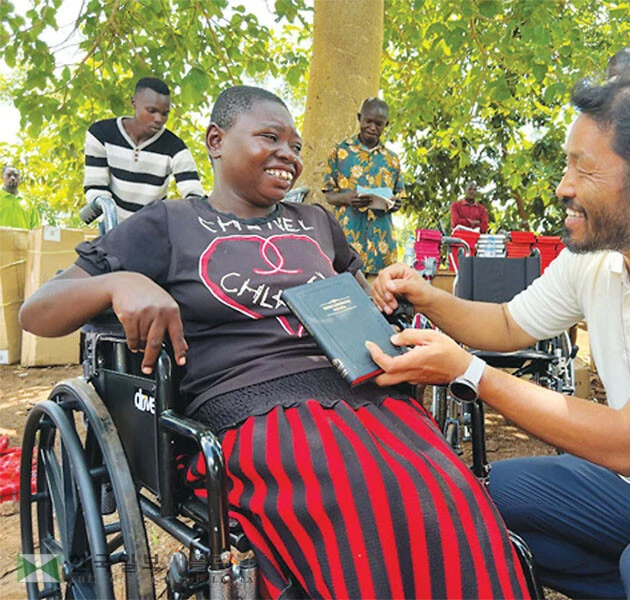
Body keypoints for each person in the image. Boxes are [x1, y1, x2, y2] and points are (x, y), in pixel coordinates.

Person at [20, 85, 528, 599]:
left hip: (364, 394)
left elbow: (359, 297)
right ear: (215, 141)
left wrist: (384, 294)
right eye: (270, 137)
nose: (289, 153)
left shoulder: (315, 222)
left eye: (297, 145)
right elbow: (37, 311)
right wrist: (117, 282)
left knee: (448, 490)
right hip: (252, 410)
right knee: (362, 493)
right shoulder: (169, 223)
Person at [368, 75, 630, 599]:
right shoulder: (596, 258)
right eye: (568, 163)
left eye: (585, 168)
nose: (563, 186)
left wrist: (468, 373)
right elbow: (507, 324)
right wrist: (425, 295)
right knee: (470, 499)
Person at [84, 76, 204, 221]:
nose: (159, 119)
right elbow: (96, 188)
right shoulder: (101, 134)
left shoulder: (174, 147)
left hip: (152, 228)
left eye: (164, 114)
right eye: (152, 111)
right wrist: (109, 219)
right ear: (134, 103)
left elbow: (194, 194)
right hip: (113, 228)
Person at [322, 98, 405, 274]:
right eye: (368, 121)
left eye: (379, 124)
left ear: (386, 125)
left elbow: (399, 196)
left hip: (381, 247)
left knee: (380, 296)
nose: (373, 127)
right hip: (348, 241)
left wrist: (395, 204)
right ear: (360, 118)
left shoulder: (392, 159)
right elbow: (328, 195)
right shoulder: (339, 152)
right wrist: (347, 198)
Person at [0, 165, 40, 229]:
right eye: (9, 175)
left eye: (16, 175)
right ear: (2, 177)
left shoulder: (28, 202)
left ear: (19, 178)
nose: (13, 178)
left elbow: (36, 228)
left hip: (22, 239)